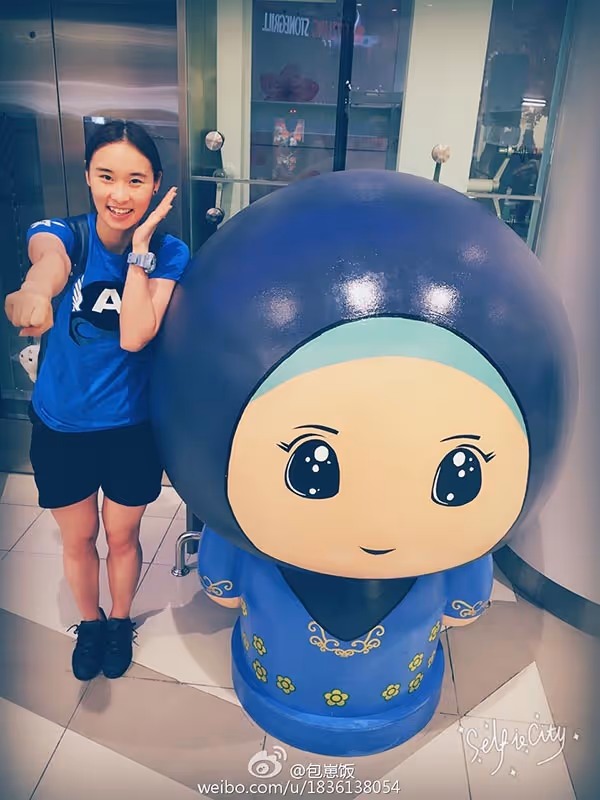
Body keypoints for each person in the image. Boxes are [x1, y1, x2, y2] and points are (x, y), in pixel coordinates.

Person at [4, 119, 190, 681]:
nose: (120, 194)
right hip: (62, 426)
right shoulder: (63, 233)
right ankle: (90, 623)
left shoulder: (169, 252)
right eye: (106, 176)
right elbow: (49, 263)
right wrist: (35, 291)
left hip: (131, 427)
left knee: (123, 536)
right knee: (79, 537)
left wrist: (139, 252)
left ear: (155, 183)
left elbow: (135, 335)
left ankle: (119, 620)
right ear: (87, 176)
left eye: (135, 180)